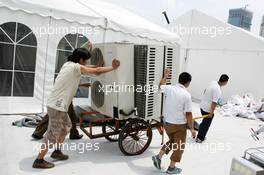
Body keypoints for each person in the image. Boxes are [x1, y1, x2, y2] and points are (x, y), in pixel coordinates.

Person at [32, 48, 120, 169]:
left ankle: (57, 151)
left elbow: (92, 68)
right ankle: (39, 159)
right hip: (57, 106)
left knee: (66, 126)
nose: (86, 63)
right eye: (86, 61)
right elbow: (97, 71)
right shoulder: (76, 67)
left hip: (58, 105)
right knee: (52, 134)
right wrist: (113, 67)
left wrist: (97, 66)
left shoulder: (68, 64)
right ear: (80, 60)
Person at [152, 69, 196, 174]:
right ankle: (171, 168)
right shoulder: (186, 95)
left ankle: (158, 157)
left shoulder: (170, 88)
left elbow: (161, 86)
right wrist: (192, 129)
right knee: (179, 146)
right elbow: (188, 114)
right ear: (188, 82)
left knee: (171, 141)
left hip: (166, 123)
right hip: (179, 125)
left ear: (179, 80)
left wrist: (166, 76)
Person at [196, 74, 229, 143]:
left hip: (202, 105)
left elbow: (205, 90)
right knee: (206, 124)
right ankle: (200, 138)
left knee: (204, 122)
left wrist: (206, 98)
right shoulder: (218, 90)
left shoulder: (213, 82)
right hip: (207, 109)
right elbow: (214, 103)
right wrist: (211, 113)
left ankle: (199, 130)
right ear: (225, 82)